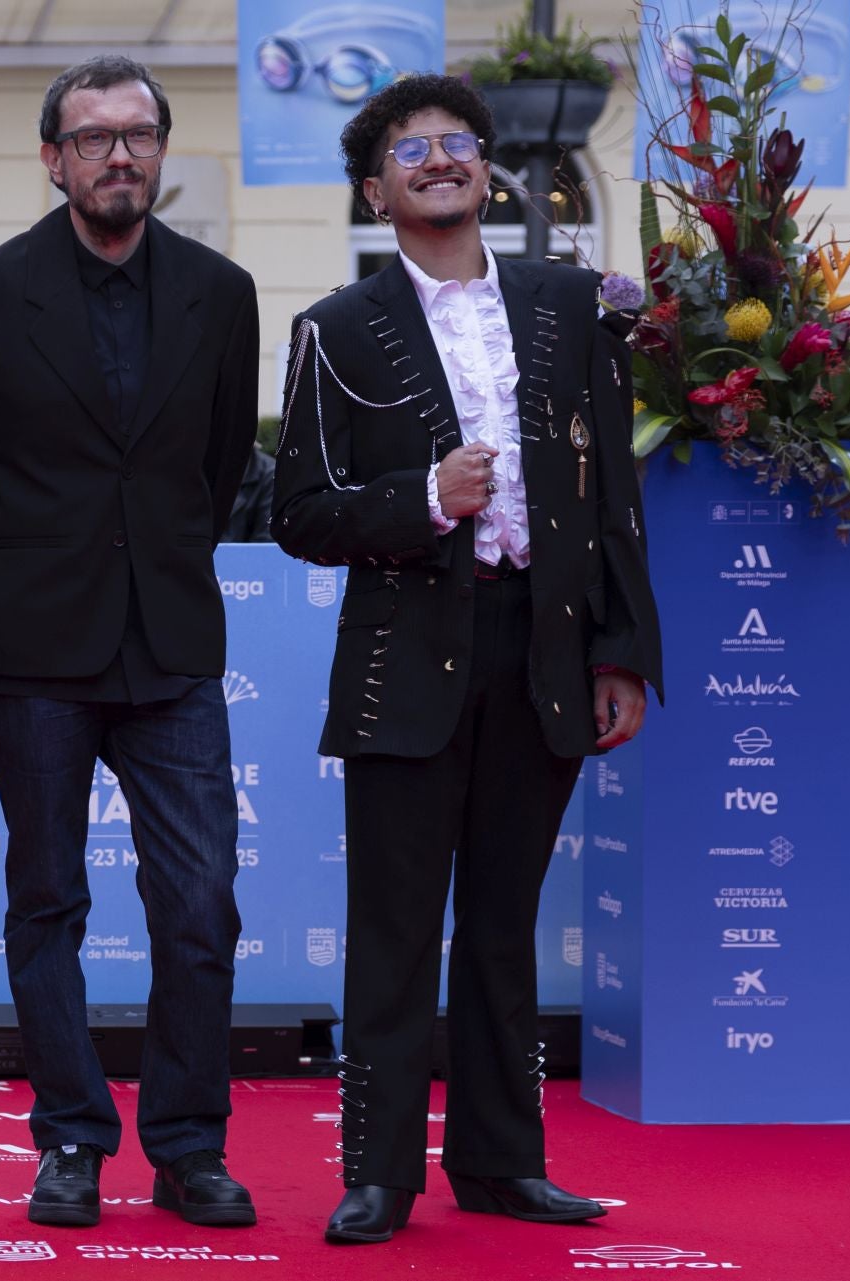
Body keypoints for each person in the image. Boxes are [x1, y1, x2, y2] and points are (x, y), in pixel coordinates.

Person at [271, 74, 662, 1245]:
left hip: (544, 651)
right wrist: (421, 500)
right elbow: (297, 510)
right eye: (411, 150)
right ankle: (379, 1174)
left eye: (457, 143)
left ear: (485, 171)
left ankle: (501, 1163)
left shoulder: (570, 305)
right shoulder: (335, 330)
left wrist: (622, 650)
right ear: (375, 189)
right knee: (392, 928)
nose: (438, 159)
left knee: (504, 927)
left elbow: (616, 500)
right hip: (407, 657)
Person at [0, 54, 260, 1229]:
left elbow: (220, 468)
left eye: (139, 135)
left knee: (202, 902)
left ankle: (186, 1144)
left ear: (161, 150)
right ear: (53, 158)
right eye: (94, 138)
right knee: (48, 902)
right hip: (34, 648)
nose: (119, 155)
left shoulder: (224, 294)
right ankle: (70, 1138)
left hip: (171, 646)